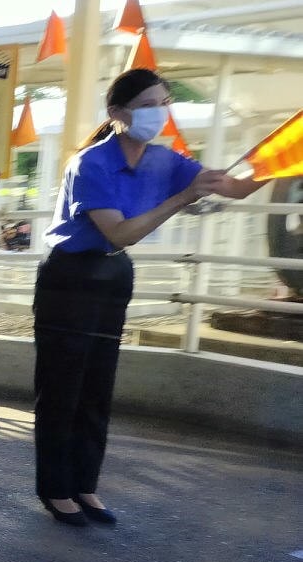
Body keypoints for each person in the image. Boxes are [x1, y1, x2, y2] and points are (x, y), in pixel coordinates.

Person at [33, 68, 263, 527]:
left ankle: (85, 485)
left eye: (165, 102)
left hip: (113, 275)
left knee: (98, 386)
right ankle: (56, 489)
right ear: (118, 113)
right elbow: (121, 230)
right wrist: (182, 198)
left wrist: (275, 163)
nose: (159, 112)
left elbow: (233, 187)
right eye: (148, 105)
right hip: (71, 278)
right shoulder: (91, 164)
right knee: (63, 389)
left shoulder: (165, 159)